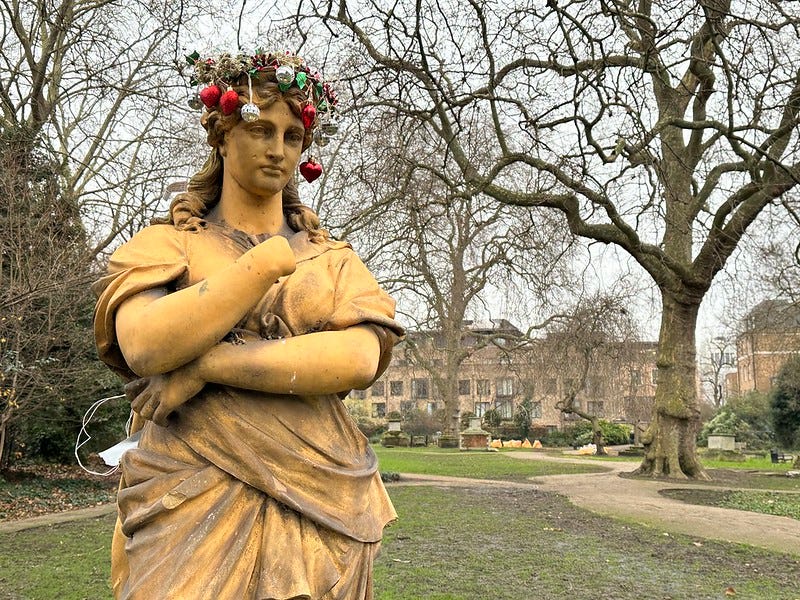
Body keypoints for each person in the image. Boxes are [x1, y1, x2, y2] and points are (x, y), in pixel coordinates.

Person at [93, 50, 403, 600]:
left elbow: (358, 358)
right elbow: (143, 344)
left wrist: (206, 364)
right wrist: (262, 265)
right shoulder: (168, 245)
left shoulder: (333, 259)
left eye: (292, 136)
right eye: (260, 128)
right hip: (188, 490)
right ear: (221, 134)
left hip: (318, 490)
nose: (277, 149)